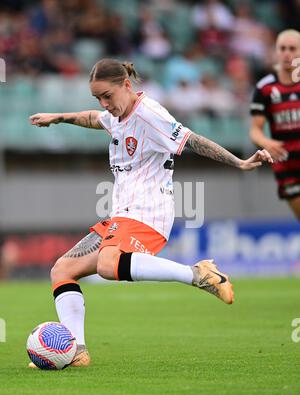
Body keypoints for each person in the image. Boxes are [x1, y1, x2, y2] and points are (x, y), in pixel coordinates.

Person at [29, 58, 272, 367]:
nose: (104, 104)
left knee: (107, 263)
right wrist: (59, 117)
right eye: (98, 98)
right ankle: (77, 351)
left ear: (126, 86)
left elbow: (192, 140)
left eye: (107, 96)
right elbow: (95, 118)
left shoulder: (150, 115)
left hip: (148, 209)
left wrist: (239, 162)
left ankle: (198, 274)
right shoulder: (116, 114)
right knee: (62, 271)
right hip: (123, 212)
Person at [250, 29, 300, 219]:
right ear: (276, 52)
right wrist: (267, 143)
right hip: (287, 166)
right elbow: (255, 130)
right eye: (282, 48)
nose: (287, 53)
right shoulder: (265, 88)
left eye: (293, 49)